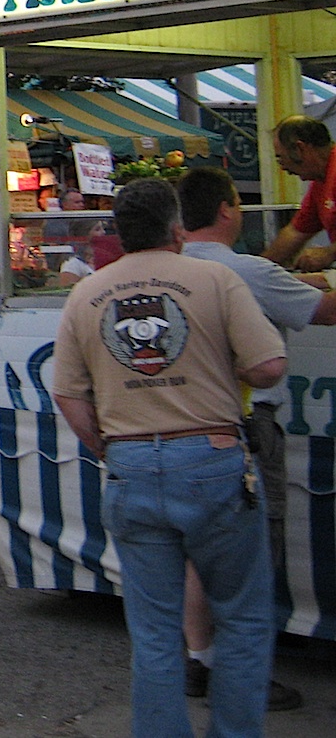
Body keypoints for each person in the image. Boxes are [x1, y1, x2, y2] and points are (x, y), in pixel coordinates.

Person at [51, 178, 285, 738]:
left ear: (120, 233)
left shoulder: (86, 294)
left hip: (130, 465)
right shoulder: (215, 278)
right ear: (177, 229)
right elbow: (270, 366)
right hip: (212, 457)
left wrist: (105, 446)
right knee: (244, 619)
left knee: (154, 632)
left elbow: (66, 392)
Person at [177, 166, 336, 712]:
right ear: (227, 210)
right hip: (241, 429)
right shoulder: (245, 272)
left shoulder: (158, 270)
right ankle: (246, 674)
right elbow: (326, 313)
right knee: (251, 557)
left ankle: (200, 661)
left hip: (173, 434)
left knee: (199, 554)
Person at [262, 115, 336, 272]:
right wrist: (258, 267)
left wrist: (330, 252)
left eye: (280, 159)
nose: (283, 169)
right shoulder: (320, 182)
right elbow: (296, 231)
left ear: (300, 149)